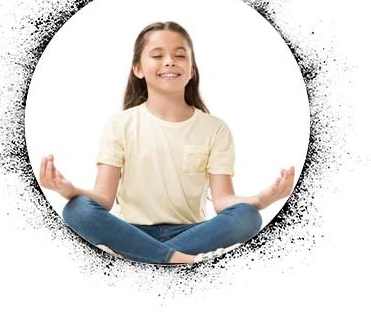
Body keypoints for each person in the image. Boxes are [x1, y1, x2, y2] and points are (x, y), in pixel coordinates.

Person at [39, 21, 295, 265]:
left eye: (180, 55)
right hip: (130, 228)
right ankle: (176, 260)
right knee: (77, 210)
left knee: (247, 216)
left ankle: (141, 254)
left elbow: (222, 201)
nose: (170, 61)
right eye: (157, 55)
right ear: (138, 68)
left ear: (192, 69)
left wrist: (261, 200)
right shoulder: (120, 125)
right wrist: (69, 190)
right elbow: (103, 199)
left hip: (193, 231)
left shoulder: (215, 129)